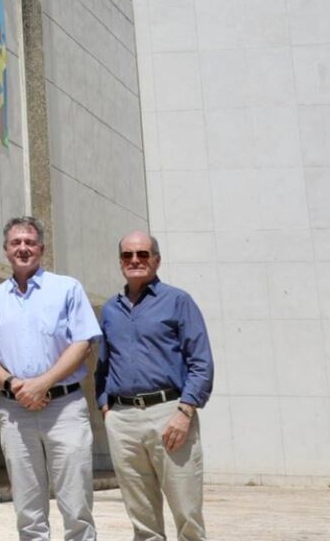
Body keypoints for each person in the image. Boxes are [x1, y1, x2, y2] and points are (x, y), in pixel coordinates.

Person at [0, 216, 102, 541]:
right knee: (28, 509)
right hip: (15, 410)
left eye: (30, 242)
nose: (23, 248)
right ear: (6, 250)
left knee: (76, 505)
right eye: (16, 242)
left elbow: (84, 342)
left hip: (65, 409)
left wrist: (43, 382)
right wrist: (15, 385)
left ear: (41, 249)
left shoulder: (67, 288)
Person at [97, 231, 213, 541]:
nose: (135, 260)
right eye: (127, 255)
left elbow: (201, 362)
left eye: (143, 254)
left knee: (187, 512)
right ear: (120, 262)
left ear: (156, 260)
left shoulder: (178, 301)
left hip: (170, 414)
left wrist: (185, 411)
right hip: (122, 418)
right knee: (142, 516)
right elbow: (103, 364)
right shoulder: (110, 309)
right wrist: (105, 406)